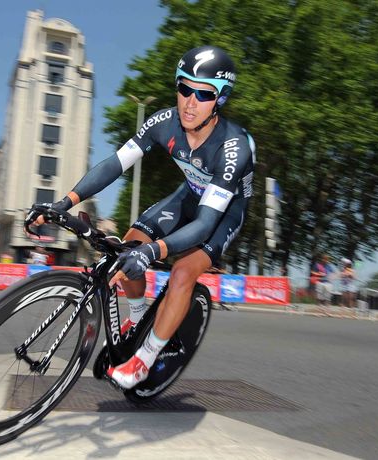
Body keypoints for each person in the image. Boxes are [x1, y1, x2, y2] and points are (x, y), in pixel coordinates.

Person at [28, 45, 255, 389]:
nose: (190, 102)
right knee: (128, 246)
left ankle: (143, 360)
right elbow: (114, 165)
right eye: (184, 88)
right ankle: (136, 320)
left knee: (181, 272)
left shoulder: (233, 146)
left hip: (223, 212)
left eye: (203, 93)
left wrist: (153, 252)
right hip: (189, 195)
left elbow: (206, 224)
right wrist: (65, 202)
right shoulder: (163, 122)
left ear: (220, 100)